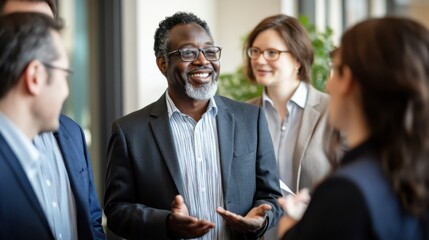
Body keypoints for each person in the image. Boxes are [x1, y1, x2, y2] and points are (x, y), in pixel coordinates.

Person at [104, 11, 283, 239]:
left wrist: (261, 220)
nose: (203, 61)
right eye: (188, 53)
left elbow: (271, 197)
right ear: (162, 63)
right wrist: (167, 223)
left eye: (210, 51)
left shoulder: (251, 119)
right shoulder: (129, 132)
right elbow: (117, 210)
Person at [278, 16, 429, 239]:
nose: (328, 85)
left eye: (334, 69)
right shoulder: (415, 172)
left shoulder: (345, 192)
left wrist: (290, 229)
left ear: (347, 79)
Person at [0, 1, 105, 239]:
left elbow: (91, 221)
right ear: (35, 76)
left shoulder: (73, 133)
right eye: (63, 74)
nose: (66, 91)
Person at [243, 14, 341, 239]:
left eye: (272, 53)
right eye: (255, 51)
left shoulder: (333, 110)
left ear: (298, 58)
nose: (259, 60)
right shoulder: (243, 115)